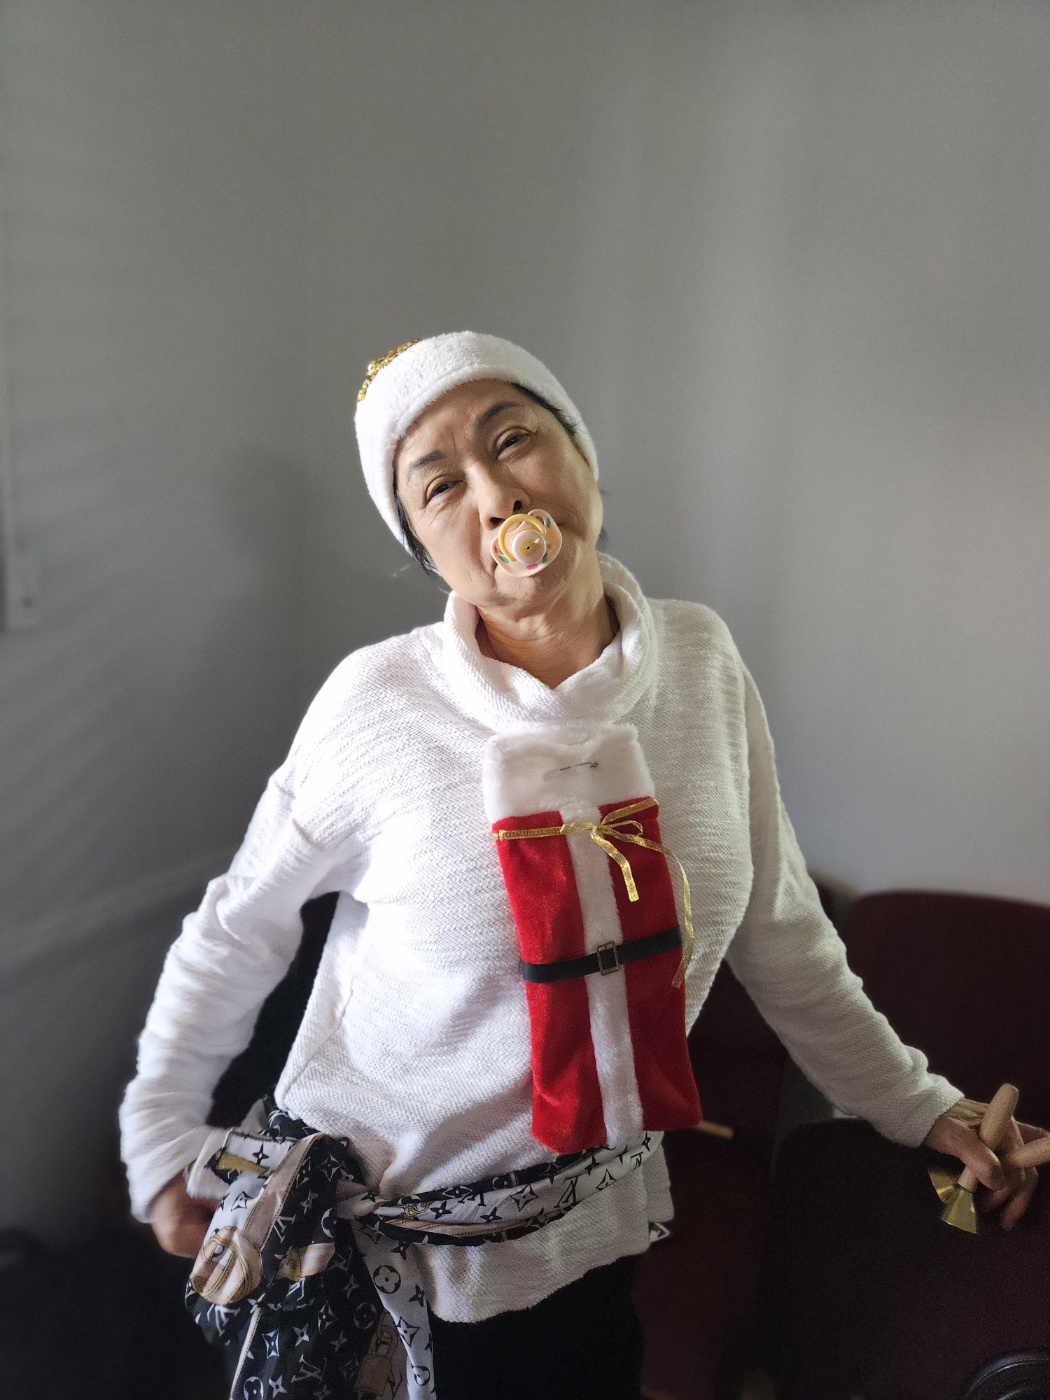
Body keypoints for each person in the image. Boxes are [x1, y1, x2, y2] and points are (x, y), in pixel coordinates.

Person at [121, 332, 1043, 1400]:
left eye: (513, 438)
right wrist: (158, 1134)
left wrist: (921, 1105)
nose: (495, 495)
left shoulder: (703, 662)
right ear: (428, 552)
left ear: (583, 457)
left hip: (593, 1243)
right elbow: (237, 926)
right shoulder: (377, 706)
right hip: (376, 1267)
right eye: (439, 487)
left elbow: (783, 935)